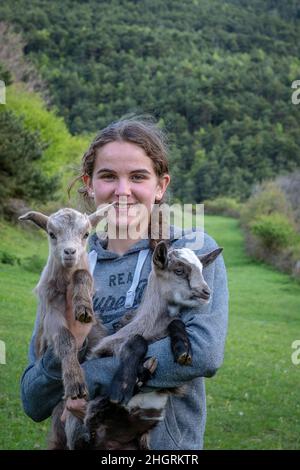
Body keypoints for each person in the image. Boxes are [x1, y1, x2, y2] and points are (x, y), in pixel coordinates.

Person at [21, 117, 229, 450]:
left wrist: (86, 376)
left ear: (160, 186)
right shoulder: (69, 265)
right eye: (107, 176)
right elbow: (32, 399)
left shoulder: (189, 253)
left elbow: (203, 353)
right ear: (89, 185)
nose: (122, 191)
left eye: (138, 177)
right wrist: (68, 345)